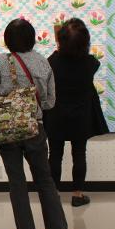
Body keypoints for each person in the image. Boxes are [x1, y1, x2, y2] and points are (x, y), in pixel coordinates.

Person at [0, 19, 71, 229]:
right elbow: (50, 102)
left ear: (7, 39)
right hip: (35, 128)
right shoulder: (43, 61)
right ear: (32, 38)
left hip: (8, 131)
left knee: (17, 182)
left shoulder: (1, 61)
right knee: (45, 180)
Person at [44, 18, 109, 207]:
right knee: (79, 153)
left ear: (61, 41)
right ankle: (77, 195)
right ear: (85, 42)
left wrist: (58, 48)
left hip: (56, 116)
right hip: (81, 116)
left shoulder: (52, 62)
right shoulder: (91, 63)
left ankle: (53, 195)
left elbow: (54, 60)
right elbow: (89, 60)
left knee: (54, 155)